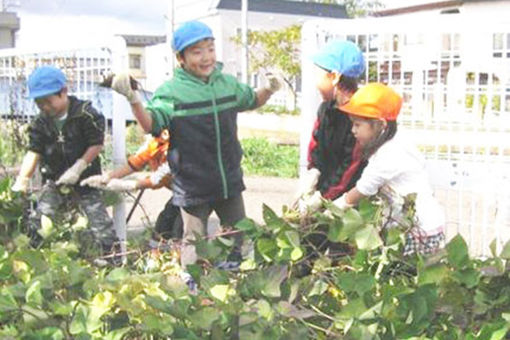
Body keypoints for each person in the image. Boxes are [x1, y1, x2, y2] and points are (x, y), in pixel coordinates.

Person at [108, 21, 282, 280]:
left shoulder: (227, 84)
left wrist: (268, 90)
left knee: (238, 232)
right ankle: (192, 285)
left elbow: (250, 100)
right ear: (181, 58)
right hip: (193, 182)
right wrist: (134, 100)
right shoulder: (172, 92)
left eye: (210, 49)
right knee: (194, 238)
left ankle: (236, 279)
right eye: (197, 52)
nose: (206, 57)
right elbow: (151, 124)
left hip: (228, 178)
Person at [11, 65, 118, 259]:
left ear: (63, 92)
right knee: (40, 221)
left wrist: (79, 167)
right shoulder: (40, 123)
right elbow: (34, 151)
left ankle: (115, 260)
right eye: (39, 103)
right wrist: (23, 179)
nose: (44, 107)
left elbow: (96, 144)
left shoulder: (86, 114)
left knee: (99, 224)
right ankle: (33, 259)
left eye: (48, 101)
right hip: (54, 179)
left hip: (86, 178)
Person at [332, 83, 445, 256]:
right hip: (415, 225)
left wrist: (331, 209)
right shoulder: (396, 139)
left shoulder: (389, 153)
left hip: (419, 231)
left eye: (357, 125)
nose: (353, 131)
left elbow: (362, 190)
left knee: (408, 277)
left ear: (380, 125)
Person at [294, 40, 367, 213]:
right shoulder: (325, 110)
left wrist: (323, 196)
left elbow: (351, 165)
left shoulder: (360, 116)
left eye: (318, 75)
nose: (315, 82)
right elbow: (315, 148)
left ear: (334, 77)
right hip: (325, 192)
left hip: (349, 201)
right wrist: (313, 175)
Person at [81, 129, 183, 241]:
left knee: (180, 227)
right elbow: (136, 163)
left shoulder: (180, 145)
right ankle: (157, 252)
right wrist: (108, 177)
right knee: (164, 224)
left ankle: (184, 254)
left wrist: (129, 185)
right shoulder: (154, 142)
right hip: (181, 192)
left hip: (197, 191)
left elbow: (161, 177)